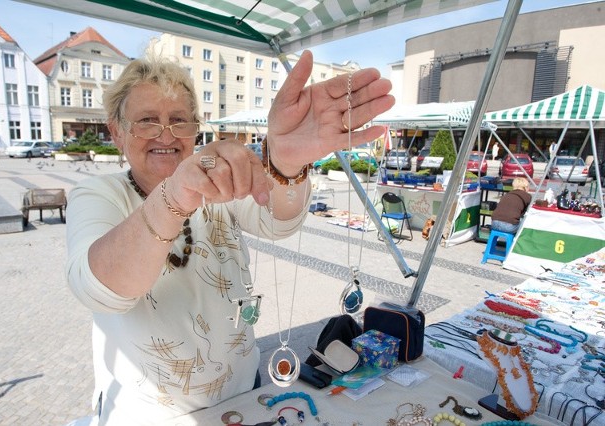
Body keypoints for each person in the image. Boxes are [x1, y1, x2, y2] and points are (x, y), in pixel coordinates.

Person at [65, 50, 394, 424]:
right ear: (117, 132)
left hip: (242, 396)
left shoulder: (214, 183)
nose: (165, 135)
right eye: (146, 122)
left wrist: (287, 162)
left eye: (178, 121)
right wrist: (174, 196)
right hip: (151, 415)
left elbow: (276, 220)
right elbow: (99, 287)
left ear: (195, 129)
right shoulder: (98, 194)